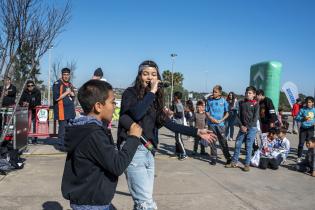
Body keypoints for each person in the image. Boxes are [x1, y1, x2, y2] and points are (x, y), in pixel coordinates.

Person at [117, 60, 216, 210]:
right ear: (139, 76)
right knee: (146, 205)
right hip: (133, 151)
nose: (150, 78)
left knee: (143, 202)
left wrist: (197, 132)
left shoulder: (155, 99)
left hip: (149, 151)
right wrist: (151, 92)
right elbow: (136, 114)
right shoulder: (130, 93)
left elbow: (169, 123)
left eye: (153, 74)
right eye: (146, 74)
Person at [61, 79, 142, 210]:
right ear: (98, 106)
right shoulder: (93, 134)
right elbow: (117, 165)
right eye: (112, 102)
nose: (115, 106)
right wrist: (133, 138)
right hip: (91, 204)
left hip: (89, 201)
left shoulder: (88, 130)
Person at [226, 86, 259, 172]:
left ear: (254, 94)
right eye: (246, 93)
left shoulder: (256, 104)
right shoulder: (241, 103)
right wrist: (241, 126)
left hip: (252, 128)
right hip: (242, 127)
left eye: (250, 93)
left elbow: (255, 118)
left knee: (248, 146)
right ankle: (234, 162)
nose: (247, 94)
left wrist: (247, 127)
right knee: (238, 143)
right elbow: (238, 115)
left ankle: (247, 164)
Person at [205, 85, 231, 165]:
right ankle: (213, 158)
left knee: (223, 142)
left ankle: (228, 158)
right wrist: (210, 118)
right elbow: (207, 111)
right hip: (211, 125)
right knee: (212, 142)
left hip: (221, 125)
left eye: (215, 92)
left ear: (220, 93)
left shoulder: (223, 101)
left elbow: (227, 113)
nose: (213, 93)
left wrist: (221, 120)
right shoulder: (209, 101)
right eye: (213, 91)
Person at [53, 68, 76, 148]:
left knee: (69, 128)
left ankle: (67, 143)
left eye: (67, 75)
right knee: (62, 128)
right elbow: (56, 98)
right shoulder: (57, 83)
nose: (66, 76)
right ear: (62, 75)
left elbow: (73, 98)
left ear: (69, 75)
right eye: (64, 74)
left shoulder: (70, 84)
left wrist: (72, 95)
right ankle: (60, 144)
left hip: (70, 110)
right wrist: (66, 92)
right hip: (61, 110)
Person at [295, 96, 315, 163]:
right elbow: (297, 118)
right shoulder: (302, 110)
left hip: (311, 129)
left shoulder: (314, 110)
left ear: (312, 103)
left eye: (309, 102)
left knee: (310, 144)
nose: (308, 103)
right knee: (301, 143)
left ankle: (309, 156)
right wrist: (303, 118)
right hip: (303, 129)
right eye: (307, 102)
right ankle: (299, 157)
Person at [170, 91, 188, 160]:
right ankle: (178, 152)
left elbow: (180, 115)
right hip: (176, 123)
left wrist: (173, 113)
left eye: (174, 96)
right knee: (177, 139)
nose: (173, 97)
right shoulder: (176, 104)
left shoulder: (179, 105)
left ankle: (184, 154)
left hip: (179, 124)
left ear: (176, 97)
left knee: (179, 139)